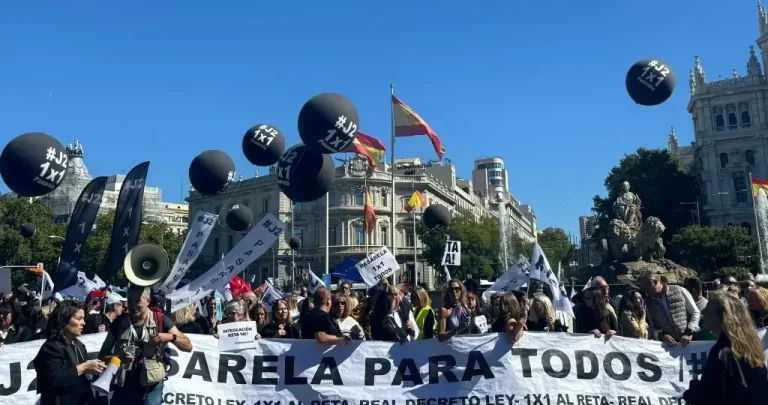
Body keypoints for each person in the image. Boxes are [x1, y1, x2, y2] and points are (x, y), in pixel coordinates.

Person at [98, 286, 192, 405]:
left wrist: (171, 337)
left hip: (151, 388)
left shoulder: (160, 320)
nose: (133, 306)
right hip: (124, 386)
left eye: (137, 301)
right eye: (130, 301)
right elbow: (102, 356)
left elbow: (188, 346)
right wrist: (119, 358)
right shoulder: (119, 322)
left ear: (147, 301)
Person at [683, 291, 768, 404]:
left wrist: (692, 393)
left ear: (721, 317)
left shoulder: (722, 353)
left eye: (708, 309)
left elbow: (710, 397)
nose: (703, 312)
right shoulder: (751, 346)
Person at [33, 300, 106, 405]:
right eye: (79, 319)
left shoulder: (79, 345)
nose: (83, 323)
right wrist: (84, 367)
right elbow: (55, 378)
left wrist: (100, 365)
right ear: (64, 320)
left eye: (83, 319)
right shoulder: (51, 347)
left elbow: (86, 370)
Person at [638, 271, 700, 346]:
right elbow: (651, 327)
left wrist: (689, 332)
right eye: (642, 287)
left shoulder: (679, 290)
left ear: (655, 282)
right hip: (669, 347)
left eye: (647, 286)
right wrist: (662, 336)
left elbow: (695, 312)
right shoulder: (648, 303)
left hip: (691, 343)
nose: (645, 290)